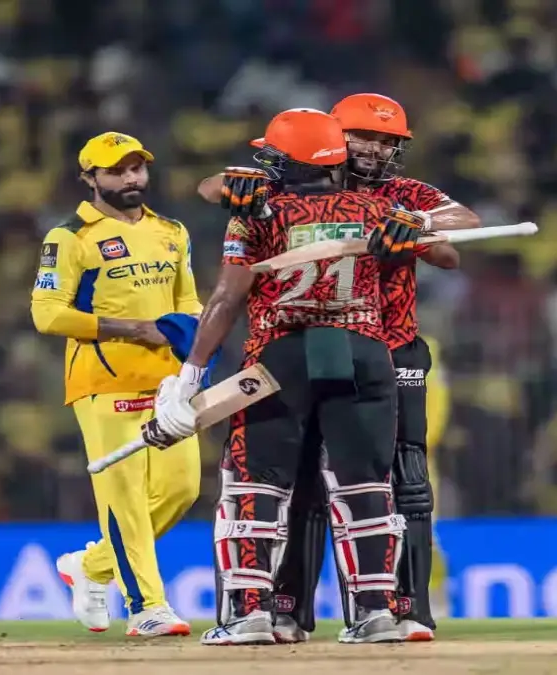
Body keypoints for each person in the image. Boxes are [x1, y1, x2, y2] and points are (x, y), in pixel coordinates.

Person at [200, 92, 479, 643]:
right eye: (363, 137)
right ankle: (295, 610)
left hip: (383, 346)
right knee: (324, 483)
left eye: (386, 140)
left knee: (403, 480)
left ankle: (402, 607)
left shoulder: (396, 194)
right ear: (335, 137)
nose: (375, 148)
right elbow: (216, 185)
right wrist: (228, 183)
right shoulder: (288, 181)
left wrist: (414, 223)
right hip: (357, 345)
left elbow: (461, 226)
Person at [150, 108, 424, 645]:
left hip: (282, 356)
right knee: (367, 488)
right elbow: (441, 251)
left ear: (289, 160)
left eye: (273, 156)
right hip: (365, 353)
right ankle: (376, 614)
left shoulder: (258, 212)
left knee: (255, 486)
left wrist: (191, 375)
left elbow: (228, 297)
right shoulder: (382, 206)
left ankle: (250, 614)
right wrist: (416, 228)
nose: (267, 164)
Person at [30, 131, 202, 637]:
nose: (131, 178)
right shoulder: (69, 237)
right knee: (123, 499)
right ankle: (147, 606)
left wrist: (190, 347)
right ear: (90, 178)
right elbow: (46, 315)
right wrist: (131, 330)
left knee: (182, 489)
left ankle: (91, 567)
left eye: (137, 168)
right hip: (102, 383)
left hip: (167, 384)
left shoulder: (172, 231)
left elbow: (188, 302)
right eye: (117, 171)